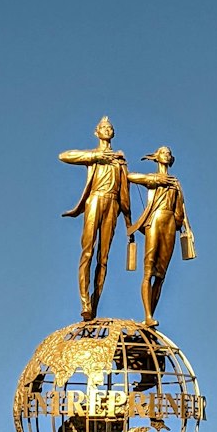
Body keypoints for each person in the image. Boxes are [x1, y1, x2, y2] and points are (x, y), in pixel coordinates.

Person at [59, 117, 132, 321]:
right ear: (96, 132)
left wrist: (129, 222)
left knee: (104, 257)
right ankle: (85, 302)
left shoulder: (119, 161)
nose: (107, 130)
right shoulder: (94, 156)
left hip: (112, 204)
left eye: (110, 128)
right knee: (88, 251)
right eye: (104, 127)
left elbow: (125, 193)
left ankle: (95, 304)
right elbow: (63, 156)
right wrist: (96, 157)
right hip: (95, 200)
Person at [127, 147, 193, 326]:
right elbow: (129, 176)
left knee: (161, 275)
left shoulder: (175, 182)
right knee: (148, 270)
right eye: (163, 152)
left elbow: (181, 208)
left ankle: (150, 316)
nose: (166, 154)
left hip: (170, 223)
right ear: (155, 158)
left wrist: (185, 226)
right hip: (155, 220)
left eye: (169, 153)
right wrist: (156, 179)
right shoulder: (153, 179)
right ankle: (147, 315)